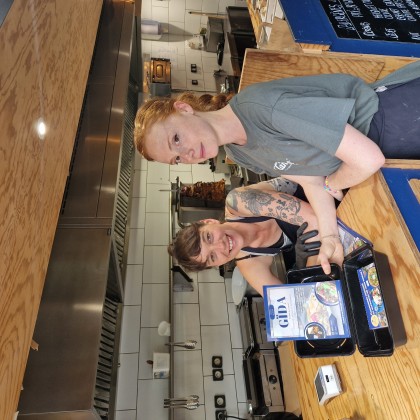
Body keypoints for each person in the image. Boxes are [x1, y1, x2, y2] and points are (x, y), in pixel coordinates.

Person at [134, 61, 420, 273]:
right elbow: (311, 180)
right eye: (178, 159)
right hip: (391, 152)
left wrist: (333, 183)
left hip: (396, 117)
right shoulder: (239, 151)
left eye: (176, 139)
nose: (187, 153)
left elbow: (366, 160)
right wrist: (330, 238)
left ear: (184, 109)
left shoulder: (261, 109)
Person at [169, 179, 321, 296]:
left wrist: (310, 263)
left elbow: (314, 219)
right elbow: (291, 301)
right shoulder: (248, 264)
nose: (221, 247)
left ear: (209, 222)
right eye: (212, 257)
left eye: (208, 237)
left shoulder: (237, 202)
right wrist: (301, 266)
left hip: (327, 187)